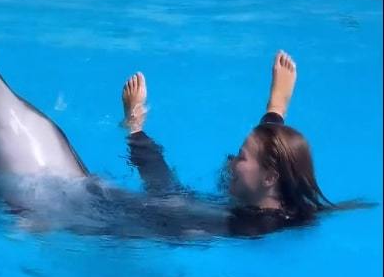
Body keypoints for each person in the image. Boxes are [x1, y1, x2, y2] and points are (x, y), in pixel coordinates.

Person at [120, 51, 364, 237]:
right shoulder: (287, 199)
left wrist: (135, 127)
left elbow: (164, 192)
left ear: (270, 178)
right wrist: (276, 108)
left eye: (241, 156)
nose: (232, 162)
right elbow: (269, 150)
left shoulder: (245, 224)